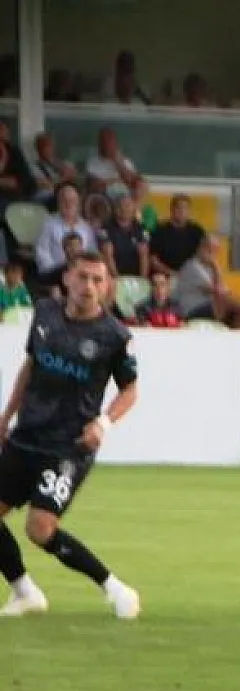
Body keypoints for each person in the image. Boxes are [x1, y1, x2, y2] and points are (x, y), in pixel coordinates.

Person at [0, 252, 142, 620]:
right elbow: (29, 368)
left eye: (97, 280)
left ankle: (114, 588)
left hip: (68, 446)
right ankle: (25, 592)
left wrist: (103, 424)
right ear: (67, 279)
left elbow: (130, 391)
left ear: (107, 286)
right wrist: (6, 418)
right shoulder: (45, 314)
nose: (89, 287)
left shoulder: (113, 336)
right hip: (26, 435)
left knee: (40, 528)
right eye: (83, 277)